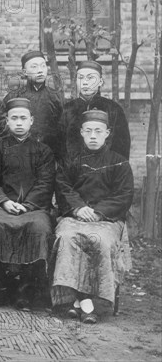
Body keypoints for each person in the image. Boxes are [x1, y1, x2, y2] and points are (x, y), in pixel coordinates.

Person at [51, 110, 134, 324]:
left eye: (98, 131)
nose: (93, 136)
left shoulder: (119, 162)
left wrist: (98, 212)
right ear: (81, 133)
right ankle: (76, 301)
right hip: (75, 216)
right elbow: (62, 187)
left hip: (106, 220)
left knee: (101, 242)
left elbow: (124, 195)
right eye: (88, 131)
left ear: (107, 133)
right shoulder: (71, 160)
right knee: (67, 238)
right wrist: (78, 208)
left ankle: (89, 303)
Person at [0, 97, 55, 310]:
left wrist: (28, 205)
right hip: (1, 207)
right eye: (14, 118)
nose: (19, 122)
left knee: (39, 228)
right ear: (7, 121)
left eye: (23, 118)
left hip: (34, 209)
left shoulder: (44, 152)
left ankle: (25, 289)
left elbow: (45, 183)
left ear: (31, 121)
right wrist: (3, 202)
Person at [0, 51, 63, 157]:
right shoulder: (13, 97)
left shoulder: (55, 98)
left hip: (47, 155)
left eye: (43, 66)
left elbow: (61, 132)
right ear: (24, 72)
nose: (40, 71)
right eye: (34, 67)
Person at [60, 60, 130, 160]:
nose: (84, 82)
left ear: (100, 81)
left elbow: (122, 147)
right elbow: (60, 147)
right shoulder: (67, 109)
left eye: (90, 78)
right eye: (80, 78)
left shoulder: (113, 109)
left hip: (106, 170)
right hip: (74, 171)